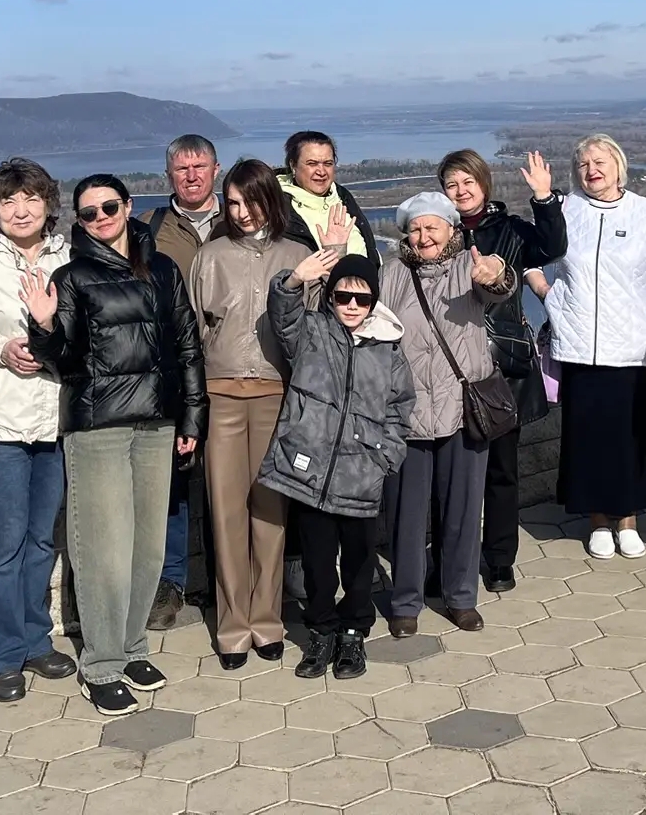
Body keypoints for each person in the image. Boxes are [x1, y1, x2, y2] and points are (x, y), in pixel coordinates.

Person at [24, 175, 207, 716]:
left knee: (148, 545)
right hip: (98, 424)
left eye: (109, 206)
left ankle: (132, 647)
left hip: (157, 420)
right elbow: (62, 358)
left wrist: (192, 416)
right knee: (103, 548)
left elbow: (187, 345)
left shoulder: (163, 268)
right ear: (79, 222)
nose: (100, 218)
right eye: (88, 213)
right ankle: (101, 664)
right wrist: (42, 326)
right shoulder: (72, 277)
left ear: (128, 207)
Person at [0, 159, 78, 702]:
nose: (21, 210)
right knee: (4, 543)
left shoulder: (71, 257)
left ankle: (34, 640)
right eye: (9, 201)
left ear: (48, 204)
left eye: (31, 199)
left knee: (42, 539)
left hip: (56, 419)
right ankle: (1, 655)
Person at [259, 248, 414, 681]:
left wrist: (385, 458)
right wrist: (295, 279)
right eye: (343, 296)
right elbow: (282, 315)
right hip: (311, 473)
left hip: (361, 474)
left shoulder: (388, 350)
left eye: (362, 299)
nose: (351, 305)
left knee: (360, 563)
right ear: (330, 296)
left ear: (373, 303)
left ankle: (353, 632)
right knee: (317, 562)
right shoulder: (312, 332)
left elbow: (400, 408)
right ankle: (321, 630)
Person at [185, 159, 308, 669]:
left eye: (250, 201)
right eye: (232, 202)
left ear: (269, 200)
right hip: (221, 395)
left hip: (276, 394)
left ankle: (268, 620)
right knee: (226, 511)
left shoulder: (297, 256)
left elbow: (311, 333)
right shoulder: (209, 257)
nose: (240, 212)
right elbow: (194, 334)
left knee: (271, 511)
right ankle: (233, 627)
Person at [376, 192, 515, 633]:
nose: (423, 237)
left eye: (432, 227)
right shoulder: (392, 273)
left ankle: (461, 597)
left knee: (463, 510)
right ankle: (405, 602)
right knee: (406, 515)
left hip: (463, 409)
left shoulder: (468, 266)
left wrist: (497, 274)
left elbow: (497, 286)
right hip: (407, 411)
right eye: (416, 229)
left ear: (451, 230)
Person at [539, 134, 646, 559]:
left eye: (600, 162)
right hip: (579, 344)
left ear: (619, 167)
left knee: (630, 435)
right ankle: (597, 519)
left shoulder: (644, 212)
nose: (592, 170)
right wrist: (549, 296)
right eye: (583, 164)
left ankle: (628, 517)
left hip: (631, 346)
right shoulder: (565, 210)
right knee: (586, 436)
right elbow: (532, 257)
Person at [438, 148, 565, 594]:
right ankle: (446, 558)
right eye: (451, 184)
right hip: (448, 365)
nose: (461, 191)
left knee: (501, 469)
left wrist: (544, 199)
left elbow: (552, 247)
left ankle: (499, 559)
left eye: (468, 181)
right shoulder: (438, 233)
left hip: (500, 364)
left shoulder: (509, 230)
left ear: (483, 183)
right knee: (448, 473)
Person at [141, 135, 223, 631]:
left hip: (229, 371)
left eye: (200, 166)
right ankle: (168, 583)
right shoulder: (149, 228)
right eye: (181, 168)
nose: (191, 176)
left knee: (227, 479)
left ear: (217, 169)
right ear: (168, 174)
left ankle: (224, 579)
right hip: (172, 374)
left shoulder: (240, 217)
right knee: (171, 483)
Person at [278, 130, 380, 273]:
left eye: (328, 163)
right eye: (312, 163)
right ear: (293, 165)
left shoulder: (342, 196)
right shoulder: (276, 207)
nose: (321, 171)